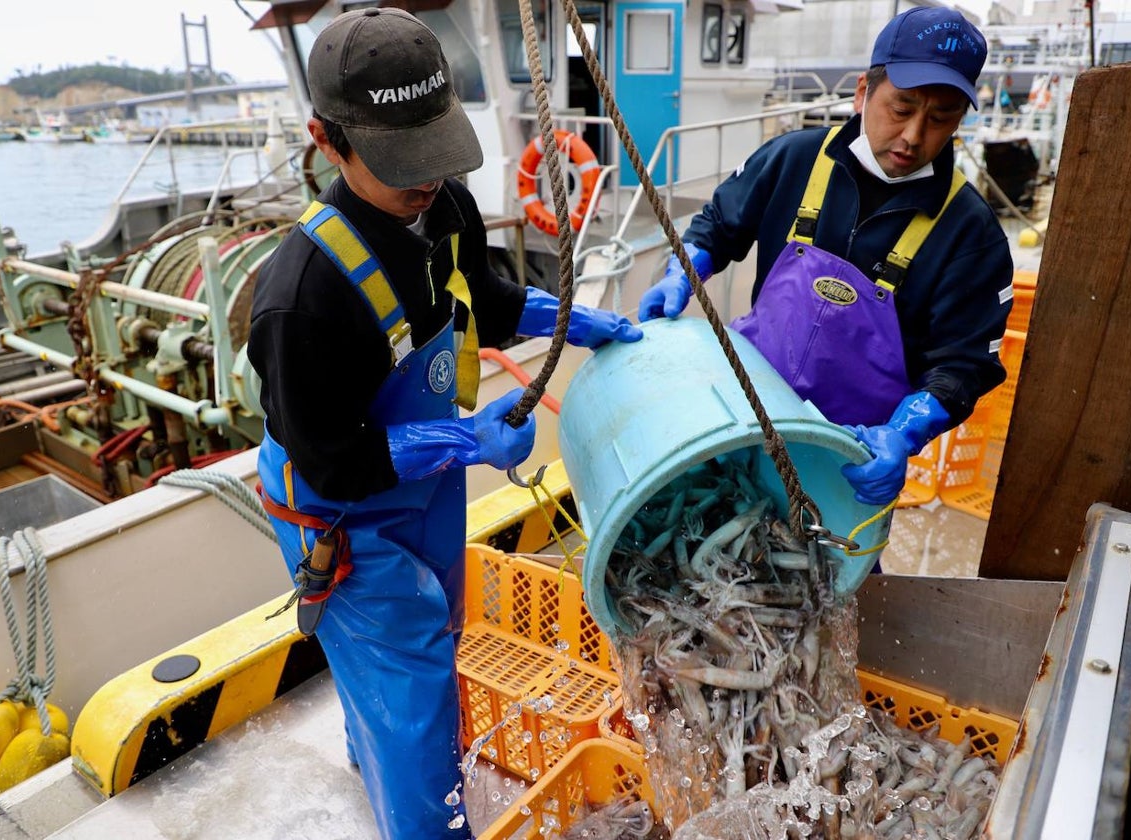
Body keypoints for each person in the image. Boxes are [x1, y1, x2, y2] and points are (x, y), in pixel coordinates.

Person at [247, 9, 641, 839]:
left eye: (436, 151)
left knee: (432, 643)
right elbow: (332, 461)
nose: (426, 181)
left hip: (422, 489)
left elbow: (487, 305)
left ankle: (373, 767)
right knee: (414, 696)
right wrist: (468, 439)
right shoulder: (302, 299)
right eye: (401, 164)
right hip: (339, 517)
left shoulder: (446, 205)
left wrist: (567, 319)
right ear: (327, 140)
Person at [639, 6, 1012, 508]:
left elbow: (963, 364)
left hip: (843, 461)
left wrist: (901, 436)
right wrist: (681, 274)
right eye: (901, 108)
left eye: (940, 118)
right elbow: (718, 227)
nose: (912, 135)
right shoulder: (791, 158)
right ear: (863, 92)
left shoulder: (971, 233)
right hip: (738, 418)